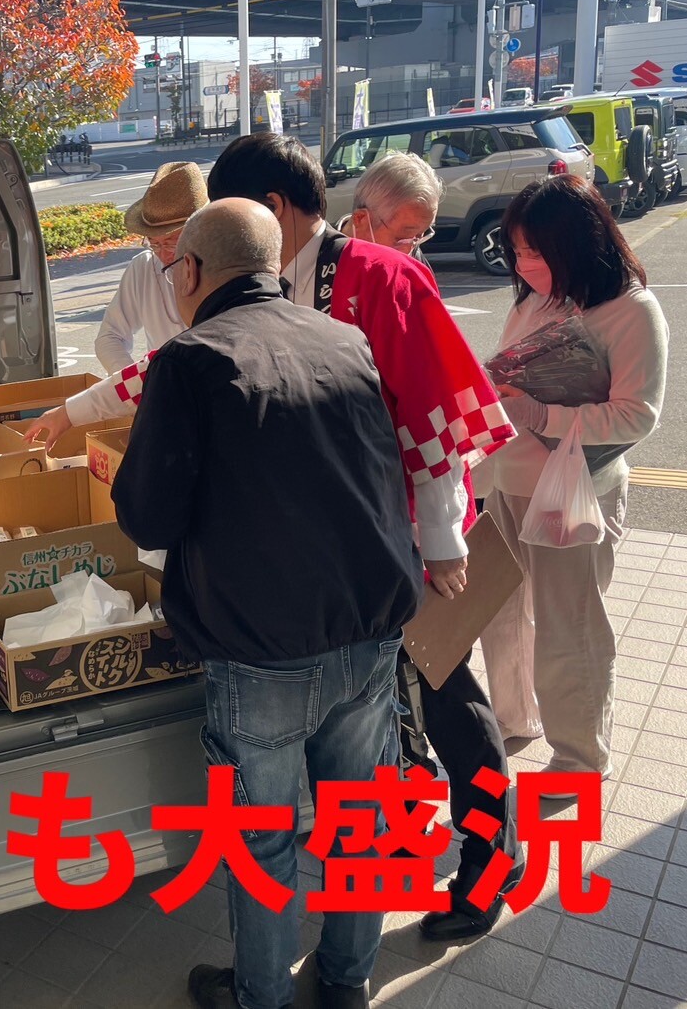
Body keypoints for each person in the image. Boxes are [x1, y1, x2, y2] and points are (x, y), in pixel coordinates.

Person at [29, 137, 523, 940]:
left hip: (402, 537)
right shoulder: (274, 282)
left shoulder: (380, 276)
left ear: (275, 207)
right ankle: (389, 855)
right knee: (383, 717)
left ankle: (492, 858)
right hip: (334, 545)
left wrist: (438, 540)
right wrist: (72, 412)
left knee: (442, 691)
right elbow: (170, 366)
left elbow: (434, 411)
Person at [112, 199, 425, 1009]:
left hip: (260, 649)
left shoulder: (189, 361)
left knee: (262, 839)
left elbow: (148, 516)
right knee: (358, 822)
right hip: (368, 626)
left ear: (189, 271)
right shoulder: (342, 339)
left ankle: (261, 996)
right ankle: (346, 981)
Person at [481, 174, 668, 785]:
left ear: (580, 244)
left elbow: (637, 414)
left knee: (570, 626)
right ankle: (513, 717)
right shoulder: (532, 301)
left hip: (574, 490)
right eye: (516, 250)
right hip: (507, 480)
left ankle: (580, 757)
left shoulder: (631, 310)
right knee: (501, 614)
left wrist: (542, 415)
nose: (523, 264)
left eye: (536, 251)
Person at [94, 161, 207, 372]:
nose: (163, 254)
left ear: (200, 230)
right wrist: (141, 384)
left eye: (172, 242)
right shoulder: (144, 267)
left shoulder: (228, 265)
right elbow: (109, 337)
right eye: (154, 243)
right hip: (164, 385)